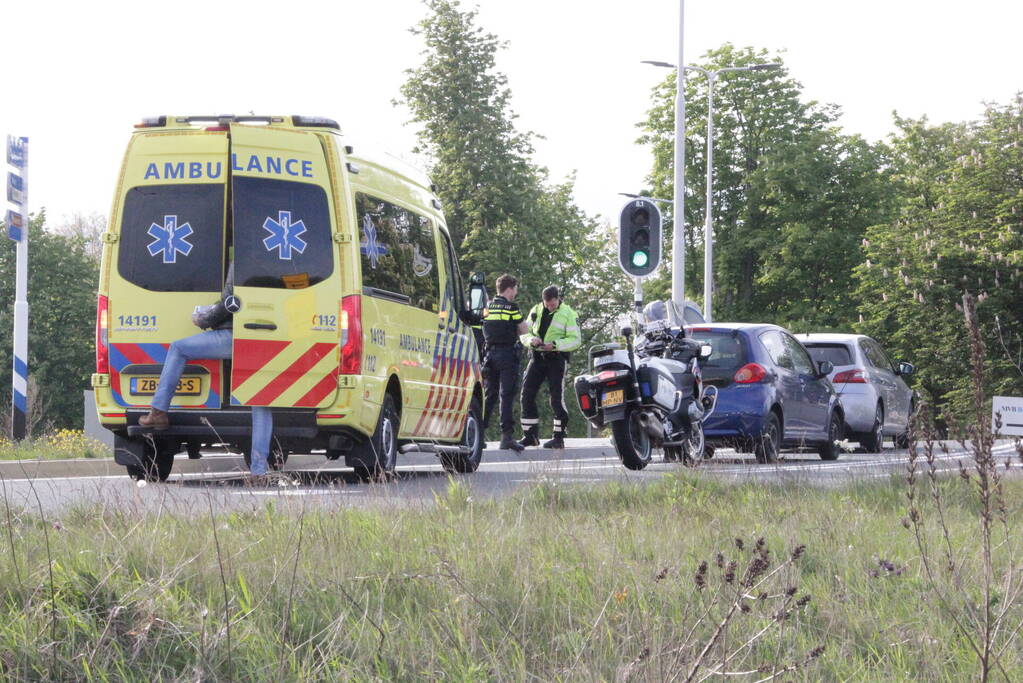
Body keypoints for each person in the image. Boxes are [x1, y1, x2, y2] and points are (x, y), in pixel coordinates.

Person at [138, 263, 273, 478]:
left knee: (178, 348)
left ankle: (158, 412)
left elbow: (230, 303)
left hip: (235, 335)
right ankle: (259, 470)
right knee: (261, 401)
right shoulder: (276, 260)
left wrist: (203, 318)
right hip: (270, 337)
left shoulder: (242, 258)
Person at [518, 285, 581, 449]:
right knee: (526, 394)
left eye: (552, 304)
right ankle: (530, 435)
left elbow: (575, 340)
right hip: (537, 357)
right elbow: (523, 332)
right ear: (543, 300)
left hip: (556, 358)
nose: (549, 307)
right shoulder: (536, 309)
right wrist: (531, 340)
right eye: (547, 304)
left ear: (557, 299)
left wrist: (555, 345)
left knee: (556, 398)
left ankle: (558, 437)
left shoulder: (569, 313)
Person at [481, 274, 530, 451]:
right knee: (506, 395)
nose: (516, 292)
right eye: (515, 289)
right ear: (509, 289)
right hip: (507, 355)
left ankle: (478, 433)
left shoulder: (487, 307)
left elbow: (483, 326)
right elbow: (524, 329)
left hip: (489, 355)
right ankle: (506, 437)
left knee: (490, 394)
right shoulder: (511, 307)